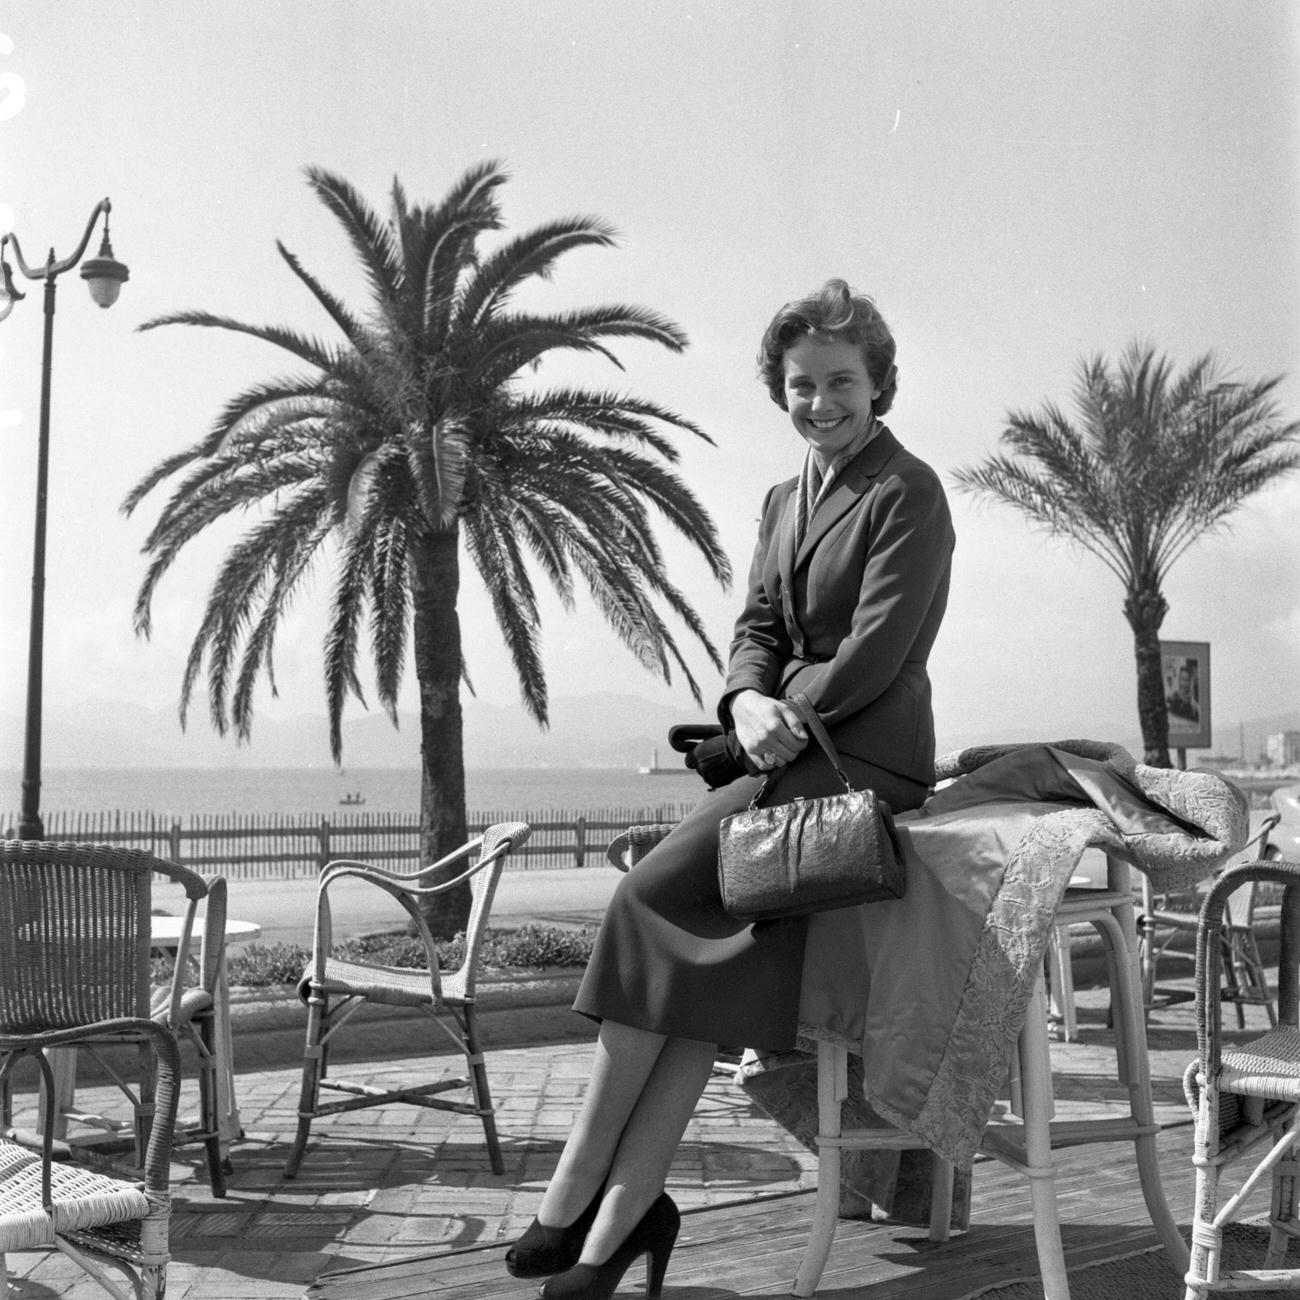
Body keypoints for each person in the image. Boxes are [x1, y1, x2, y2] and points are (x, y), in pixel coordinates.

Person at [505, 278, 956, 1299]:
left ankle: (575, 1190)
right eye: (801, 384)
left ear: (878, 383)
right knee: (698, 990)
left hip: (861, 761)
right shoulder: (783, 497)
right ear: (779, 390)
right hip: (782, 747)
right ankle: (623, 1215)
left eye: (840, 381)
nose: (820, 401)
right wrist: (742, 697)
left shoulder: (907, 490)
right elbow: (755, 625)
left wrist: (770, 717)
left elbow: (877, 651)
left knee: (643, 897)